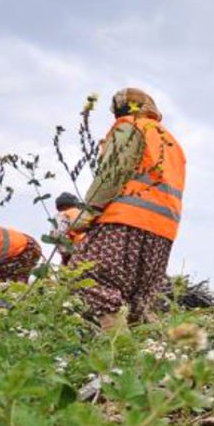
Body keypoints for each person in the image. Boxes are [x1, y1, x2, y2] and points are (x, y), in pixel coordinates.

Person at [68, 88, 186, 328]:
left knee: (89, 279)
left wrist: (88, 212)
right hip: (162, 231)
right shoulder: (170, 140)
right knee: (138, 302)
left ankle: (120, 355)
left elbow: (112, 174)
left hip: (124, 222)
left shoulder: (130, 127)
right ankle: (161, 358)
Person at [52, 192, 86, 265]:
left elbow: (55, 235)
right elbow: (81, 226)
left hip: (64, 252)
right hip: (78, 247)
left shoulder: (57, 217)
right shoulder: (74, 211)